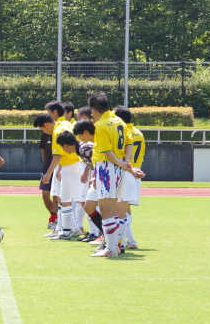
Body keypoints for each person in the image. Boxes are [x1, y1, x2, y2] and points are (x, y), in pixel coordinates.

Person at [87, 91, 136, 258]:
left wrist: (120, 163)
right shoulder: (119, 121)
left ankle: (111, 248)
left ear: (94, 110)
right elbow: (129, 142)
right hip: (118, 166)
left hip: (106, 167)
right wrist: (125, 162)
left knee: (106, 209)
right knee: (113, 209)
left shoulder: (101, 125)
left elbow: (107, 152)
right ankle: (115, 245)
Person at [33, 113, 82, 239]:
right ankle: (68, 228)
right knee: (65, 199)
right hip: (72, 165)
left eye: (42, 129)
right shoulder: (64, 124)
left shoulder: (56, 132)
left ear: (46, 124)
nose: (44, 132)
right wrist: (60, 169)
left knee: (68, 199)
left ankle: (67, 231)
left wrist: (48, 173)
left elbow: (58, 156)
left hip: (71, 166)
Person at [114, 106, 147, 250]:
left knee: (119, 208)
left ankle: (129, 239)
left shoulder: (122, 133)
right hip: (136, 170)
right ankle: (128, 239)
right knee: (126, 208)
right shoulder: (138, 133)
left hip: (126, 170)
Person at [39, 129, 59, 229]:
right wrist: (45, 165)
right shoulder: (45, 134)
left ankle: (53, 219)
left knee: (56, 197)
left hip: (58, 169)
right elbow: (43, 151)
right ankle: (58, 217)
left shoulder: (59, 131)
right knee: (45, 196)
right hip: (47, 170)